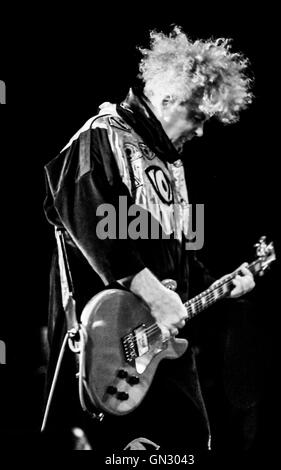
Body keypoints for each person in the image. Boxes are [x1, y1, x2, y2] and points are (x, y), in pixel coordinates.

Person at [43, 25, 255, 453]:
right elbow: (90, 222)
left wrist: (223, 286)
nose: (199, 131)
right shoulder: (102, 135)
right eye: (196, 117)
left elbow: (179, 258)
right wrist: (155, 294)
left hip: (159, 347)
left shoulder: (174, 168)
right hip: (104, 341)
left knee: (189, 441)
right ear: (167, 98)